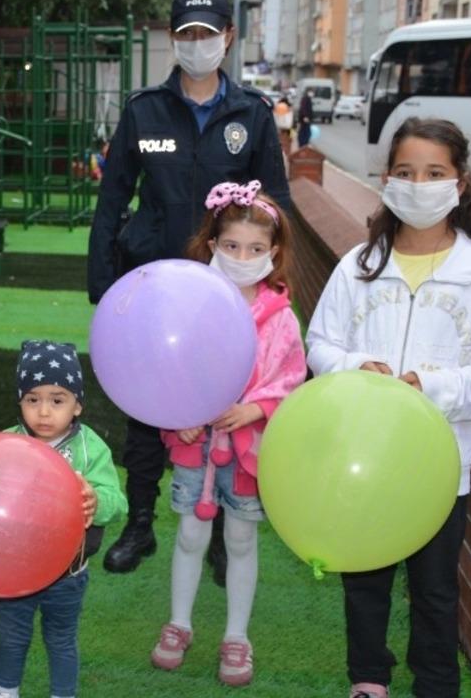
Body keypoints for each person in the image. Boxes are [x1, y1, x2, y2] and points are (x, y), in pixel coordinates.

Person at [305, 118, 471, 698]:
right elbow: (320, 344)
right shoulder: (358, 265)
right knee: (365, 581)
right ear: (386, 180)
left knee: (433, 591)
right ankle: (369, 679)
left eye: (434, 173)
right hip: (362, 460)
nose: (418, 184)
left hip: (438, 466)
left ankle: (435, 684)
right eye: (405, 173)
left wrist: (430, 387)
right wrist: (357, 370)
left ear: (460, 183)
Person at [87, 0, 292, 576]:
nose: (197, 43)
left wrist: (270, 279)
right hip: (149, 286)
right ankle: (142, 523)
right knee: (147, 410)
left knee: (225, 406)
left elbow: (275, 206)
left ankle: (225, 531)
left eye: (208, 33)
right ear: (173, 39)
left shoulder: (250, 114)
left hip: (223, 294)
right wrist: (102, 287)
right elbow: (113, 199)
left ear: (228, 37)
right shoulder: (144, 110)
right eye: (186, 34)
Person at [149, 180, 306, 687]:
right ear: (212, 245)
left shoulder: (281, 318)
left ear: (273, 253)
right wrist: (182, 412)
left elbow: (292, 378)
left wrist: (256, 408)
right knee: (190, 534)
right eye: (232, 246)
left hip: (249, 451)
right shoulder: (191, 302)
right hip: (195, 447)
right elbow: (166, 364)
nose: (243, 257)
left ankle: (236, 635)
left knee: (241, 539)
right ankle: (179, 623)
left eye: (256, 249)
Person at [0, 340, 126, 698]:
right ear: (20, 401)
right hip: (15, 570)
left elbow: (118, 501)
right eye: (33, 399)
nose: (44, 412)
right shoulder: (5, 444)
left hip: (68, 572)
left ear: (77, 404)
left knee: (61, 639)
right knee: (11, 635)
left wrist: (96, 501)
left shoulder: (90, 448)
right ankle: (5, 691)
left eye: (57, 400)